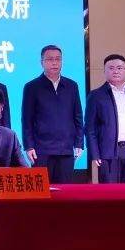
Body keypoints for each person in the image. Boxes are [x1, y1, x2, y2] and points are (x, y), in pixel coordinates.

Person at [21, 44, 84, 184]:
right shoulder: (32, 87)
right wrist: (29, 146)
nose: (54, 62)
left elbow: (78, 116)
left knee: (65, 191)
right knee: (41, 189)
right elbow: (27, 120)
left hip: (66, 149)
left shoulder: (72, 86)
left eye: (58, 59)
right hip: (41, 150)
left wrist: (79, 143)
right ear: (42, 62)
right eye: (50, 59)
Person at [85, 53, 125, 183]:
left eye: (119, 68)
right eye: (111, 68)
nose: (115, 71)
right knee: (109, 192)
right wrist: (94, 153)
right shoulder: (96, 95)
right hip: (108, 153)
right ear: (104, 71)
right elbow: (90, 128)